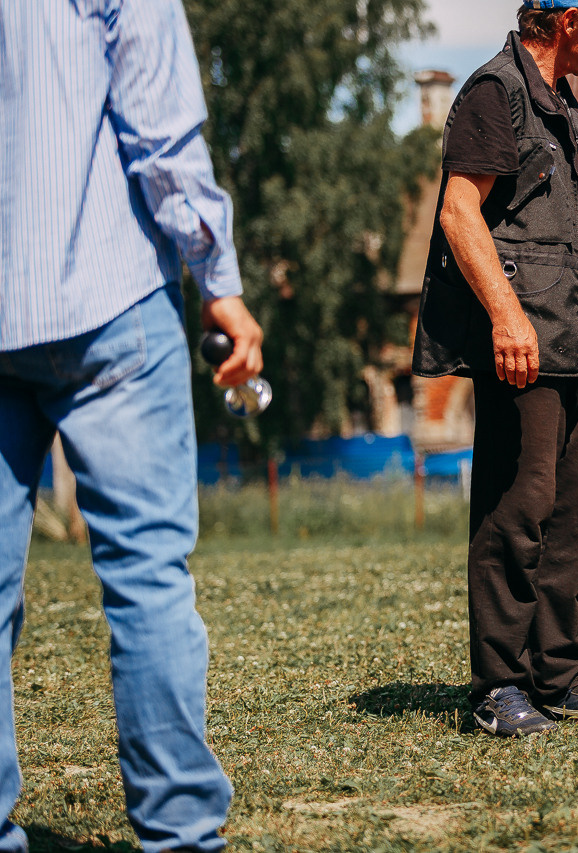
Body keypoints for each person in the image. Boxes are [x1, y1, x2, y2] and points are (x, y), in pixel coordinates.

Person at [0, 1, 264, 850]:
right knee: (147, 574)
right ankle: (181, 835)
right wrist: (218, 279)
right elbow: (160, 132)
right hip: (107, 291)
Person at [412, 0, 578, 737]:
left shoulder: (559, 104)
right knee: (519, 507)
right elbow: (460, 213)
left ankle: (562, 671)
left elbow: (565, 219)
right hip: (524, 338)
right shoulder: (495, 92)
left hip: (574, 334)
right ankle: (499, 684)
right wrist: (507, 316)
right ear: (569, 18)